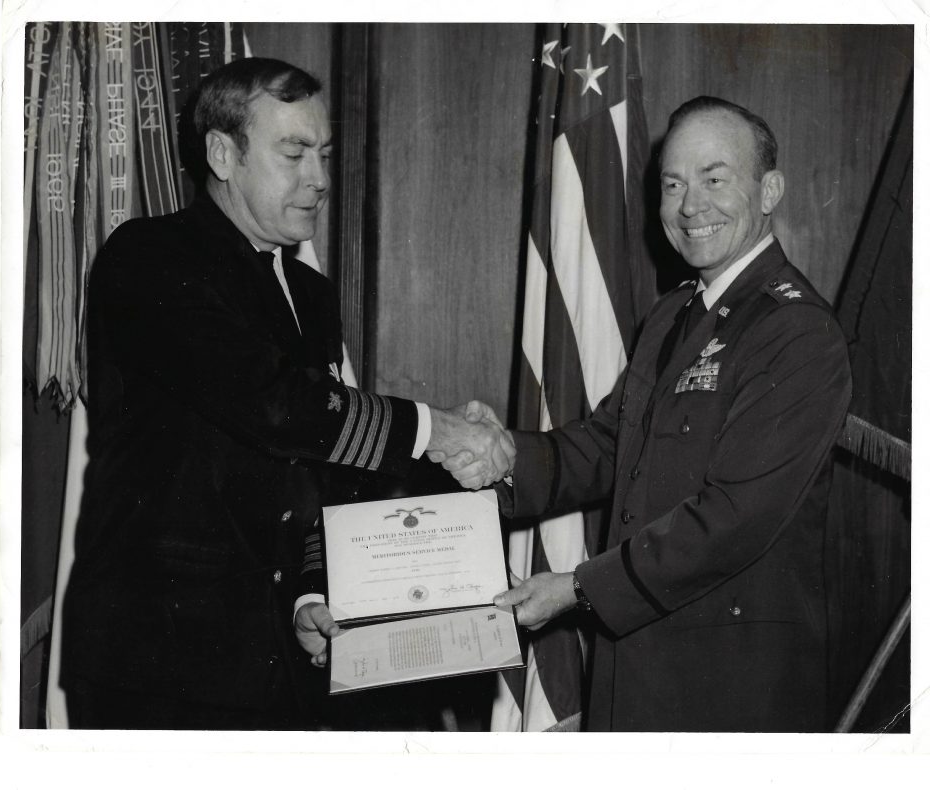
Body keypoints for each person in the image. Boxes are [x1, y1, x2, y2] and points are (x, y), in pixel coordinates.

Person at [59, 57, 513, 730]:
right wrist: (440, 431)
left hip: (278, 660)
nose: (320, 179)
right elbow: (274, 406)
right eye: (294, 154)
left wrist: (310, 591)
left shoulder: (310, 294)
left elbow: (316, 466)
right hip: (160, 661)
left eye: (324, 155)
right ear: (223, 154)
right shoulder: (150, 257)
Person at [439, 96, 852, 732]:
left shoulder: (795, 330)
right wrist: (506, 456)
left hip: (726, 684)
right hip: (638, 660)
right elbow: (612, 443)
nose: (691, 206)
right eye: (673, 184)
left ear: (769, 191)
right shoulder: (674, 312)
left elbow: (733, 518)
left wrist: (578, 588)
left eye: (714, 180)